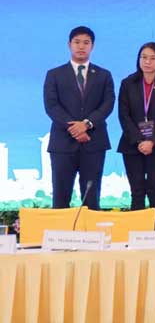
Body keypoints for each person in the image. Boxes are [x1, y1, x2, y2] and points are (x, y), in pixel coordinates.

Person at [43, 26, 115, 209]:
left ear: (92, 46)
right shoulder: (54, 74)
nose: (81, 46)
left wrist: (87, 124)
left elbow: (107, 104)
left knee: (91, 199)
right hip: (63, 144)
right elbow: (51, 106)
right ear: (69, 45)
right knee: (60, 198)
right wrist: (74, 128)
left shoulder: (104, 75)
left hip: (93, 143)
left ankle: (90, 229)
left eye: (86, 43)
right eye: (77, 42)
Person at [117, 42, 155, 219]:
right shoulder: (128, 83)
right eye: (143, 57)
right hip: (131, 144)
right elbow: (124, 115)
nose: (147, 62)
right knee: (137, 191)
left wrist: (152, 141)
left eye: (152, 58)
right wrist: (139, 140)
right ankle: (137, 230)